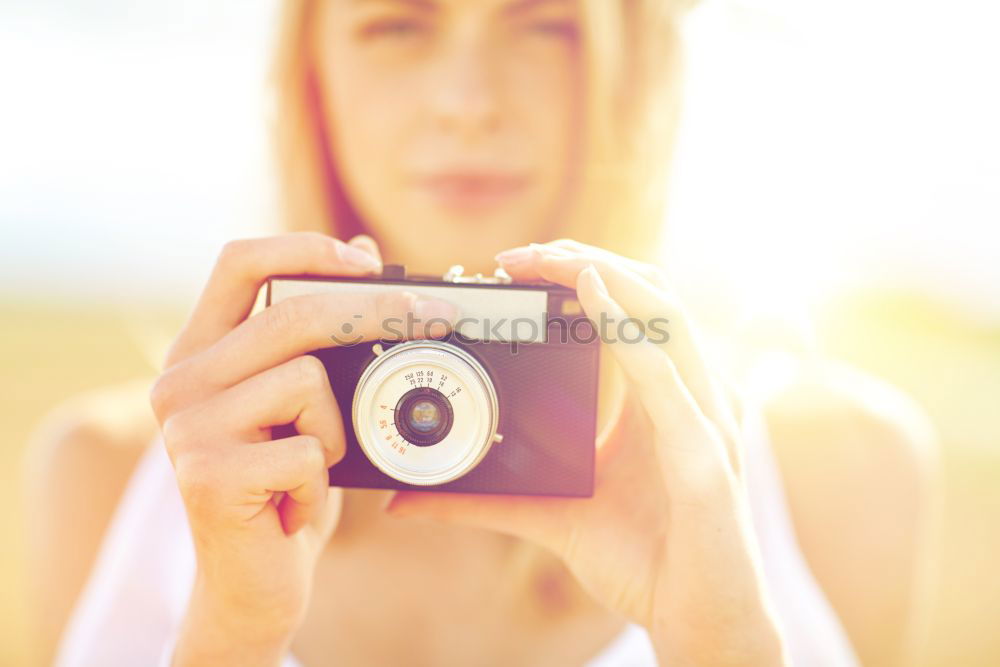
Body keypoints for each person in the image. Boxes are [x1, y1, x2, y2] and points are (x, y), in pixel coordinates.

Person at [25, 0, 937, 665]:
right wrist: (228, 635)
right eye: (397, 24)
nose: (467, 99)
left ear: (637, 63)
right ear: (312, 73)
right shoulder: (111, 478)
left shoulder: (846, 470)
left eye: (545, 24)